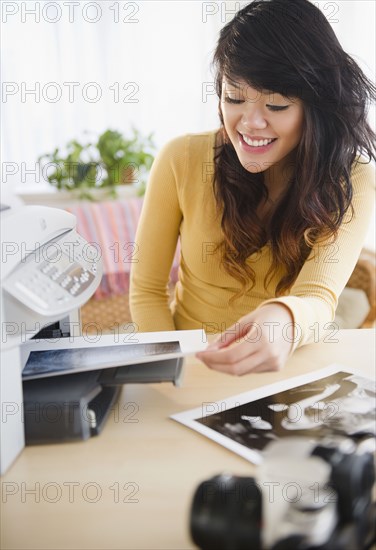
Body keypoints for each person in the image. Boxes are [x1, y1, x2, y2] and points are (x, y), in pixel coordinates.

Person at [129, 0, 375, 375]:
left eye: (276, 104)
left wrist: (283, 318)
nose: (250, 123)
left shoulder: (351, 179)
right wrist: (172, 371)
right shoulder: (181, 159)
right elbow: (146, 291)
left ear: (316, 106)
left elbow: (318, 298)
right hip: (189, 368)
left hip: (288, 371)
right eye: (234, 98)